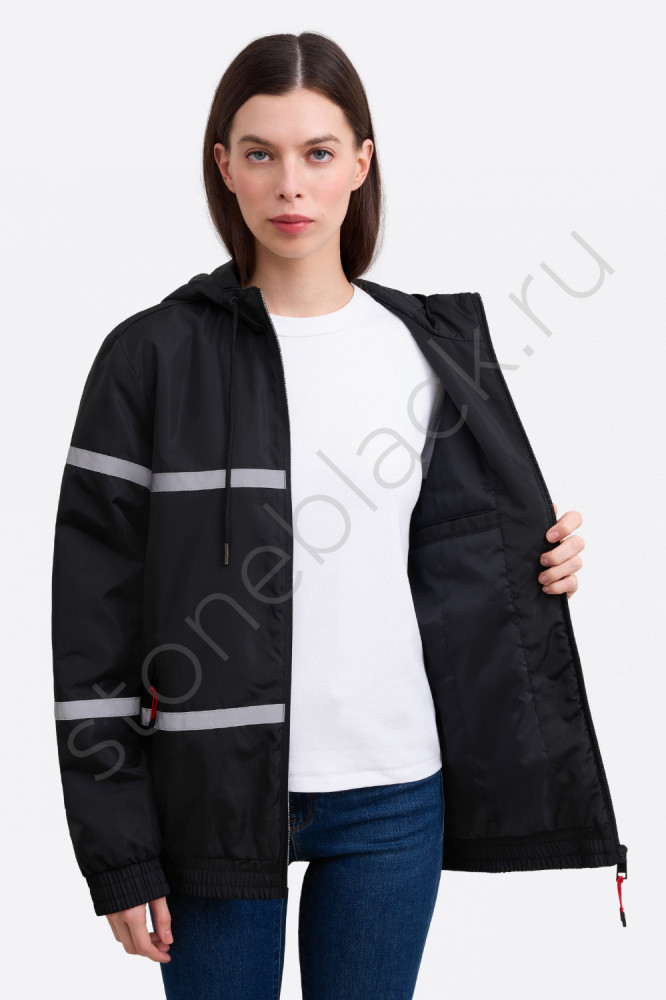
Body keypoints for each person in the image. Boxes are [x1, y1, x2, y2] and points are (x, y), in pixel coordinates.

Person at [51, 31, 626, 1000]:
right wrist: (118, 851)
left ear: (361, 162)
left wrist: (545, 560)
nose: (291, 184)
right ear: (223, 165)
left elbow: (462, 559)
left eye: (318, 152)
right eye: (261, 152)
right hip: (211, 794)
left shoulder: (433, 348)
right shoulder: (149, 358)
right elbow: (90, 618)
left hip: (396, 790)